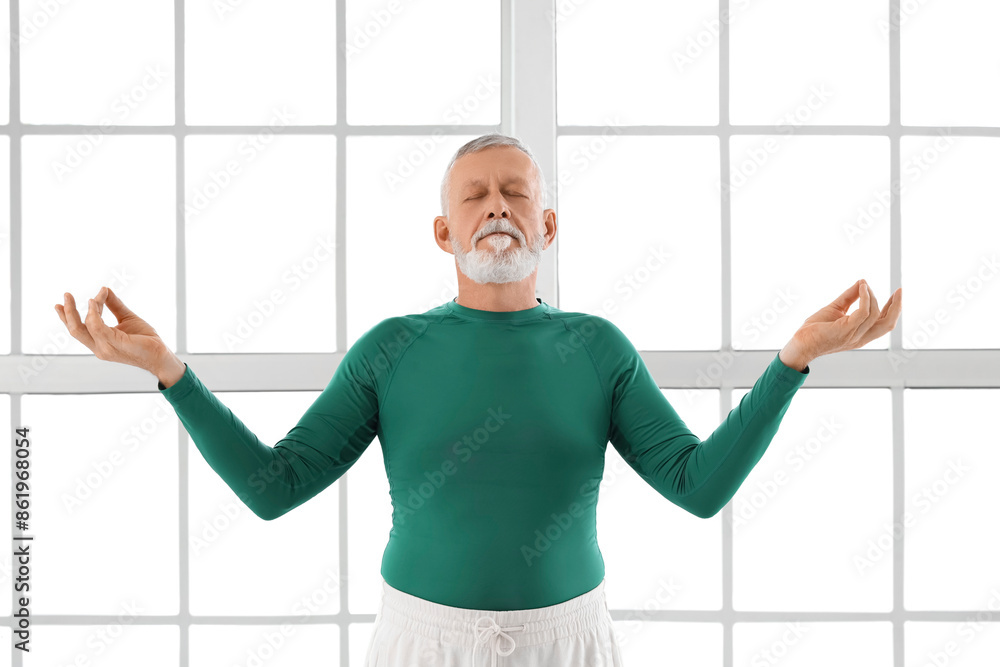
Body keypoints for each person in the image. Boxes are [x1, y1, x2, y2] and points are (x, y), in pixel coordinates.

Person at [54, 133, 902, 666]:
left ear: (547, 225)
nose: (497, 206)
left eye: (516, 192)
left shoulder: (597, 346)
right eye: (475, 195)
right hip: (421, 644)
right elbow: (275, 489)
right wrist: (168, 370)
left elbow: (699, 485)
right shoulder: (391, 348)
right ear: (445, 233)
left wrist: (792, 360)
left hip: (568, 643)